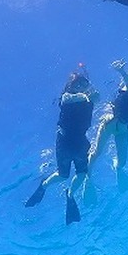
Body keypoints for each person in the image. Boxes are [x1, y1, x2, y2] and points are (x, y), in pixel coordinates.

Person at [25, 67, 98, 224]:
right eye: (77, 84)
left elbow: (96, 97)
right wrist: (86, 95)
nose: (81, 87)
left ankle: (70, 194)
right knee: (63, 174)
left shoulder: (89, 100)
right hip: (64, 142)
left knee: (82, 173)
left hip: (81, 142)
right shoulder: (67, 97)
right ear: (70, 86)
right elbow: (68, 99)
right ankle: (44, 185)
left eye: (84, 84)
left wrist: (91, 95)